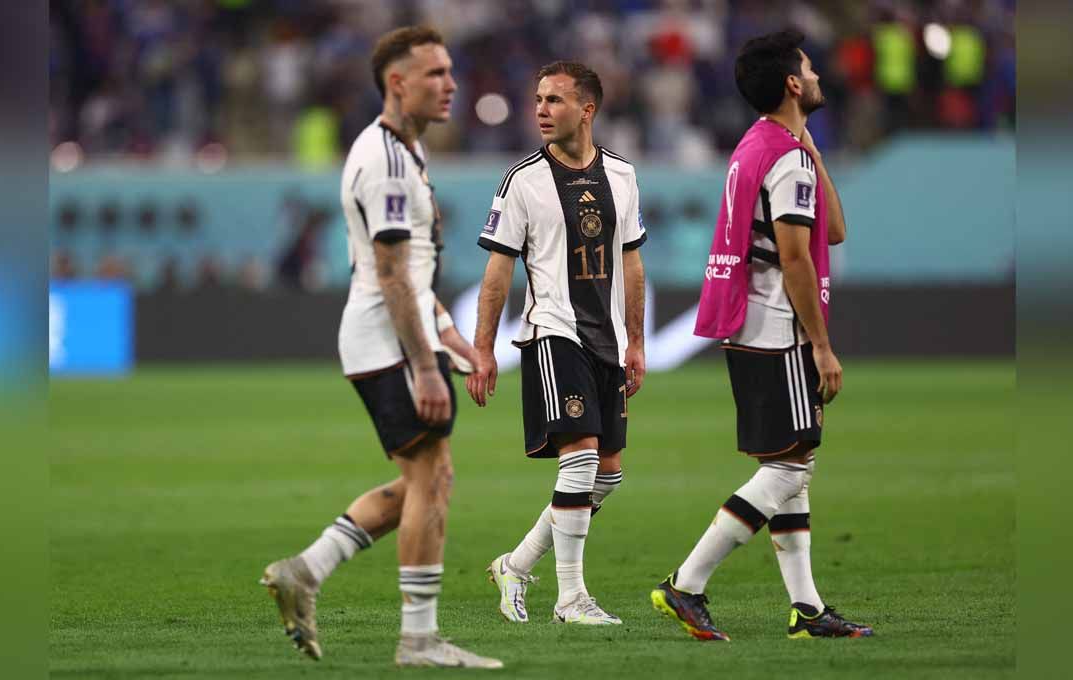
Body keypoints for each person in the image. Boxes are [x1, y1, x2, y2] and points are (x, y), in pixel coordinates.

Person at [259, 26, 502, 669]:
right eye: (435, 74)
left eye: (450, 71)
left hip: (398, 335)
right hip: (390, 341)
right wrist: (425, 363)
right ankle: (418, 640)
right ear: (398, 83)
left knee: (426, 478)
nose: (451, 84)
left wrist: (447, 332)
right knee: (432, 477)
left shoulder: (401, 151)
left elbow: (409, 271)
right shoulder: (387, 161)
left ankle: (305, 570)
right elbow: (392, 275)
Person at [650, 30, 873, 641]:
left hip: (746, 320)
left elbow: (835, 230)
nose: (819, 74)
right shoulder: (786, 158)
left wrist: (814, 154)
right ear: (794, 84)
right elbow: (800, 256)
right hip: (778, 324)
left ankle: (807, 608)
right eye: (809, 67)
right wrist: (821, 346)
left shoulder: (759, 146)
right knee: (786, 469)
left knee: (792, 463)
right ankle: (686, 584)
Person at [467, 61, 647, 626]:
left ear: (587, 109)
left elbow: (632, 262)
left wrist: (635, 342)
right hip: (554, 331)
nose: (541, 110)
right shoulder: (522, 180)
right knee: (581, 459)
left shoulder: (622, 175)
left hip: (607, 340)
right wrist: (482, 348)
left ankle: (515, 565)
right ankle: (571, 599)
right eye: (539, 99)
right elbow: (497, 273)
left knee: (607, 473)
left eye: (555, 100)